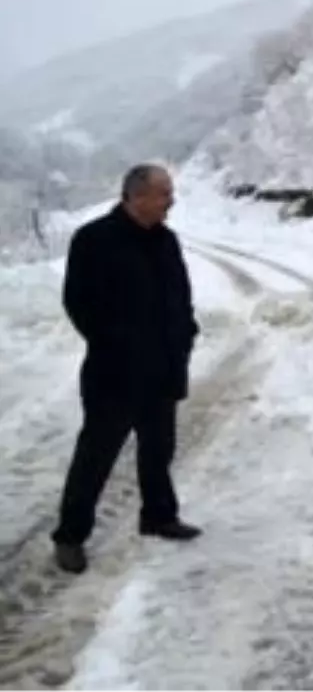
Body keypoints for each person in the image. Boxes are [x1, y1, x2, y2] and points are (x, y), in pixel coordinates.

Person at [51, 164, 202, 574]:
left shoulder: (166, 241)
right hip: (113, 374)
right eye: (163, 193)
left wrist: (186, 332)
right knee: (96, 457)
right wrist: (114, 344)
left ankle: (158, 516)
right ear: (135, 196)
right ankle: (70, 536)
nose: (171, 201)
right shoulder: (95, 240)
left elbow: (180, 295)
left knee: (159, 450)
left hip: (163, 369)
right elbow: (78, 303)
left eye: (170, 193)